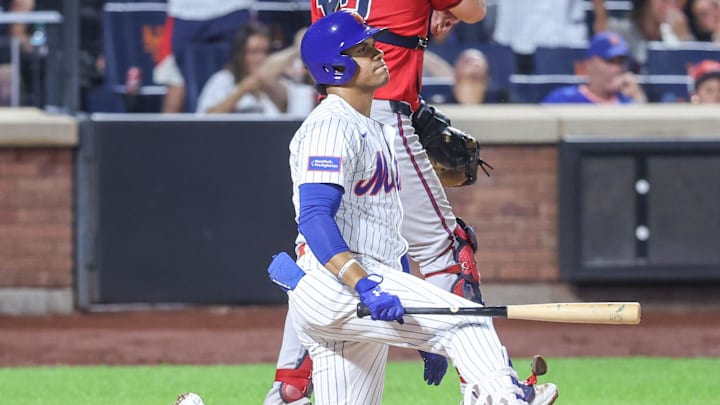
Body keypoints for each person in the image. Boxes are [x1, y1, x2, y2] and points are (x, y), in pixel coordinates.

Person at [264, 0, 557, 405]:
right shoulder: (332, 127)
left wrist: (420, 334)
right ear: (339, 67)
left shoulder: (370, 131)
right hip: (339, 288)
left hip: (345, 290)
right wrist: (365, 284)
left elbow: (388, 235)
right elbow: (314, 217)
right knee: (463, 321)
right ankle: (497, 393)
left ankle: (286, 391)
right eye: (366, 49)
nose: (380, 50)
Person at [196, 23, 315, 116]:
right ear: (240, 54)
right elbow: (206, 120)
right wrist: (242, 90)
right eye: (254, 52)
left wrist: (299, 48)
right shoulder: (223, 80)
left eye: (265, 51)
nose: (261, 58)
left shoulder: (278, 82)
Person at [543, 32, 648, 104]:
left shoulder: (627, 101)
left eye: (620, 62)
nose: (617, 69)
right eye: (609, 61)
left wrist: (639, 99)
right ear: (589, 65)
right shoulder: (564, 99)